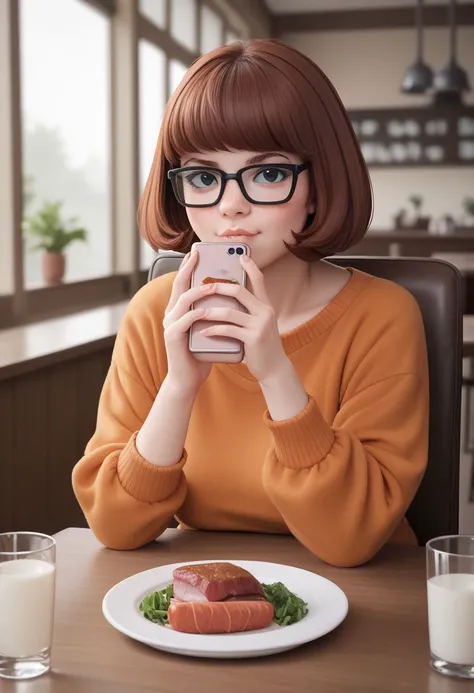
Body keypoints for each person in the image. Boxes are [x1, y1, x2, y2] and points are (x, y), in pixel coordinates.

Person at [72, 39, 429, 567]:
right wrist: (179, 387)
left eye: (268, 173)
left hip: (367, 601)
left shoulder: (383, 317)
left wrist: (275, 372)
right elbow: (116, 526)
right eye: (203, 176)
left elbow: (351, 539)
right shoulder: (155, 313)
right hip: (201, 594)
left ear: (317, 185)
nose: (231, 204)